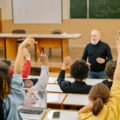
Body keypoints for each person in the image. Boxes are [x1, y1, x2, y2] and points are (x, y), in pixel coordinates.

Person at [78, 34, 120, 120]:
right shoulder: (114, 110)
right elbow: (117, 78)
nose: (93, 37)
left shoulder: (85, 117)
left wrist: (104, 60)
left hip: (101, 72)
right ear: (109, 97)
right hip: (92, 72)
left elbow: (79, 114)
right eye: (91, 35)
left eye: (95, 35)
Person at [0, 37, 36, 120]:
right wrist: (21, 48)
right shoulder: (10, 100)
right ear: (5, 82)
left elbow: (17, 74)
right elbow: (18, 74)